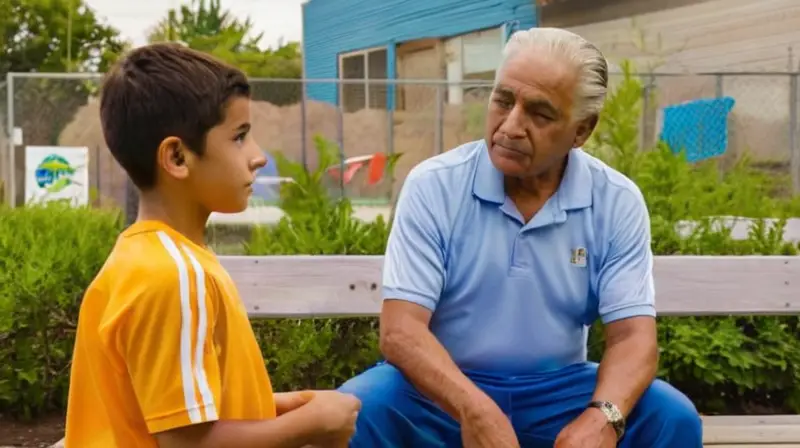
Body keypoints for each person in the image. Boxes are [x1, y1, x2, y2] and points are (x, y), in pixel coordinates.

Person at [338, 27, 703, 448]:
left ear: (581, 130)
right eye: (503, 100)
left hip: (558, 392)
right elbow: (401, 331)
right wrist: (473, 409)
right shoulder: (433, 186)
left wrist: (603, 419)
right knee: (357, 410)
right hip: (441, 393)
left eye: (540, 113)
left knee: (671, 418)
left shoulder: (615, 201)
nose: (511, 126)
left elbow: (633, 337)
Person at [64, 43, 361, 448]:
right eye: (239, 137)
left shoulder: (146, 259)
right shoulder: (174, 277)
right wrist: (314, 424)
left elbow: (160, 409)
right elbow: (188, 444)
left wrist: (272, 406)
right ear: (177, 158)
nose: (258, 157)